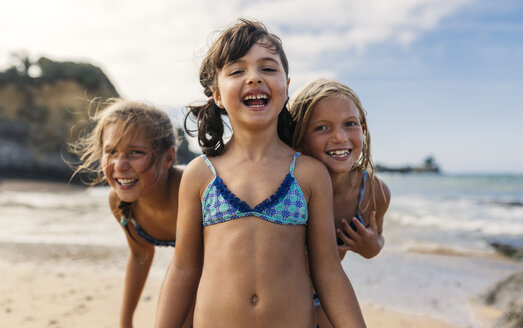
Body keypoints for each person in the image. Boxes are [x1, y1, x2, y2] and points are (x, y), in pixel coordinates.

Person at [155, 19, 366, 328]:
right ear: (216, 94)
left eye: (268, 69)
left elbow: (329, 272)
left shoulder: (308, 174)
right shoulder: (200, 175)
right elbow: (184, 268)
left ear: (286, 85)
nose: (254, 78)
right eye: (237, 71)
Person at [69, 99, 192, 328]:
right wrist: (125, 322)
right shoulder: (120, 203)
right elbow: (140, 255)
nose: (120, 165)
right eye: (111, 151)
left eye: (135, 152)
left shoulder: (190, 189)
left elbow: (198, 267)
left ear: (168, 158)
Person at [289, 78, 391, 328]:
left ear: (363, 128)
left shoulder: (373, 193)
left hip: (322, 296)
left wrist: (371, 246)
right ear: (299, 136)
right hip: (278, 297)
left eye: (350, 124)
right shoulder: (288, 185)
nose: (339, 137)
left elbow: (378, 240)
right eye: (322, 127)